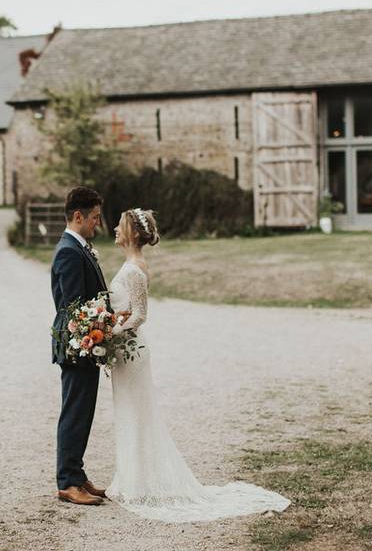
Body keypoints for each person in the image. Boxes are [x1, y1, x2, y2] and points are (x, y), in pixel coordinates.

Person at [105, 208, 290, 522]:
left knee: (137, 413)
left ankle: (137, 483)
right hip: (122, 351)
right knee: (127, 412)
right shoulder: (129, 265)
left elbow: (140, 315)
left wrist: (111, 331)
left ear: (133, 233)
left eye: (120, 226)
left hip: (132, 350)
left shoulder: (135, 269)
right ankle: (130, 478)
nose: (114, 229)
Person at [50, 186, 119, 505]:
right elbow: (73, 307)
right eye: (94, 218)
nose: (97, 224)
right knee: (75, 411)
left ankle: (77, 474)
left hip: (87, 343)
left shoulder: (79, 247)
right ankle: (67, 481)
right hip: (78, 345)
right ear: (78, 216)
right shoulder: (68, 250)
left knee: (83, 410)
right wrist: (98, 328)